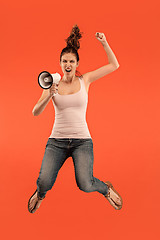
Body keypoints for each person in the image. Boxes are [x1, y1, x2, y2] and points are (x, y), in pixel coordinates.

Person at [28, 24, 123, 213]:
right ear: (60, 63)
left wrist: (104, 43)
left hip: (82, 141)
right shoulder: (51, 83)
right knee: (44, 182)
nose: (68, 65)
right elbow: (35, 112)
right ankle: (40, 194)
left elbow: (114, 65)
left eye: (71, 61)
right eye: (64, 61)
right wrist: (48, 95)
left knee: (85, 184)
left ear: (77, 63)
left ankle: (106, 188)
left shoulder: (85, 80)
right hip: (57, 141)